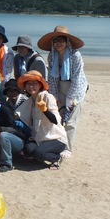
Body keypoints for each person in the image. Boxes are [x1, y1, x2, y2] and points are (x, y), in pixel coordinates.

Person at [37, 25, 87, 158]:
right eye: (56, 40)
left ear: (67, 42)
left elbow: (77, 78)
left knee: (70, 120)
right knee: (58, 118)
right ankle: (58, 142)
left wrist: (71, 101)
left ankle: (68, 148)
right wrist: (54, 97)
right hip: (58, 87)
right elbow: (52, 78)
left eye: (62, 40)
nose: (59, 43)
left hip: (75, 88)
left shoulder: (75, 55)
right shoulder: (52, 56)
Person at [16, 70, 68, 170]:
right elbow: (19, 113)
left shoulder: (47, 97)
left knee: (37, 153)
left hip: (56, 138)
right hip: (40, 138)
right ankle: (40, 155)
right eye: (28, 84)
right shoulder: (31, 99)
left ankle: (57, 157)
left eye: (34, 84)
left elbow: (55, 120)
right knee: (27, 149)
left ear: (40, 85)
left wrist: (45, 110)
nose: (31, 87)